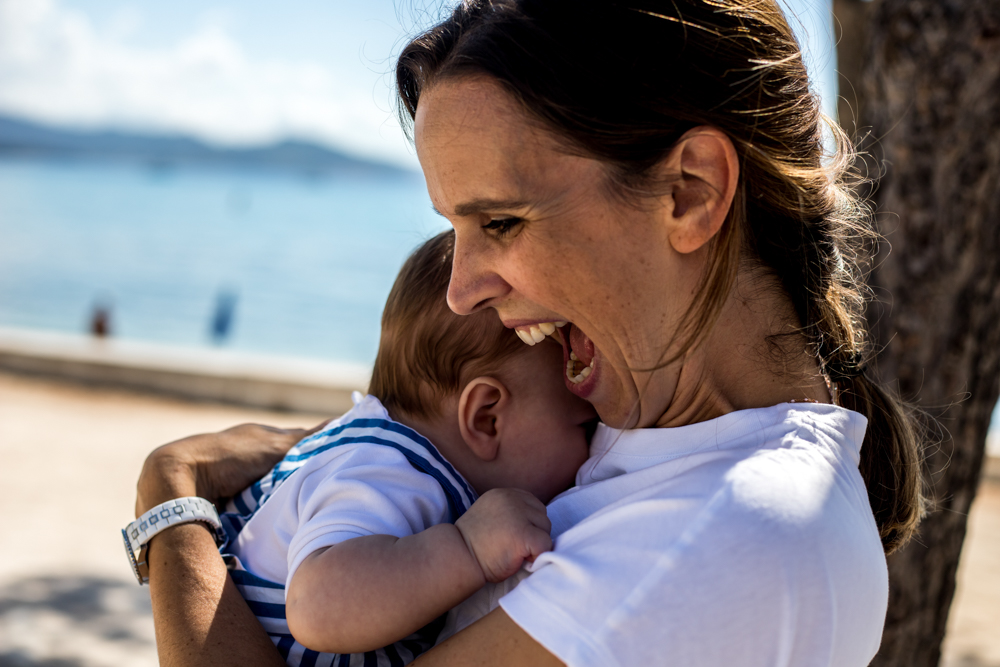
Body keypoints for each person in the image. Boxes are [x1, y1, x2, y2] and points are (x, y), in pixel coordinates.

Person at [133, 1, 925, 665]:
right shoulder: (633, 427)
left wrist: (170, 502)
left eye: (502, 221)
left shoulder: (733, 527)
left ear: (690, 191)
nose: (461, 287)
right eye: (455, 229)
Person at [218, 231, 594, 665]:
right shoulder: (393, 473)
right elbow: (317, 606)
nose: (595, 447)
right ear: (486, 417)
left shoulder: (375, 446)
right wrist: (468, 549)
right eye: (584, 427)